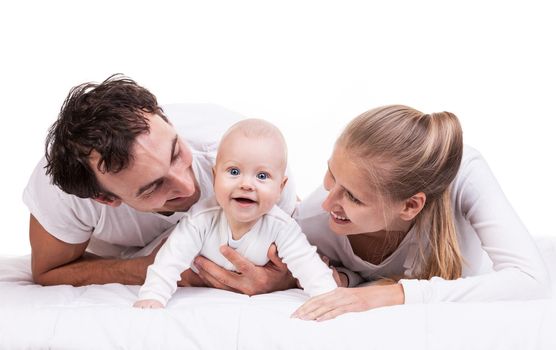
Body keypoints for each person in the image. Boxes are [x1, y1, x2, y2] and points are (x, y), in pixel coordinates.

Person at [195, 105, 551, 320]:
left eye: (351, 196)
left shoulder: (464, 175)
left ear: (411, 206)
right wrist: (301, 280)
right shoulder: (315, 225)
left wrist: (395, 294)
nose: (327, 202)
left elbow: (531, 281)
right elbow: (335, 274)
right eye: (331, 174)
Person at [23, 74, 297, 293]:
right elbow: (48, 270)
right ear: (105, 198)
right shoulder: (61, 195)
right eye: (153, 187)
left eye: (176, 153)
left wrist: (281, 280)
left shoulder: (241, 153)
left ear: (165, 118)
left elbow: (294, 238)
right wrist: (146, 269)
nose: (188, 187)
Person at [133, 119, 337, 308]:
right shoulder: (201, 217)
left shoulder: (281, 226)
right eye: (234, 172)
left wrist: (327, 296)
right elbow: (171, 258)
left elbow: (308, 265)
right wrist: (153, 296)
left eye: (262, 176)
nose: (246, 184)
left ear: (280, 187)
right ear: (214, 177)